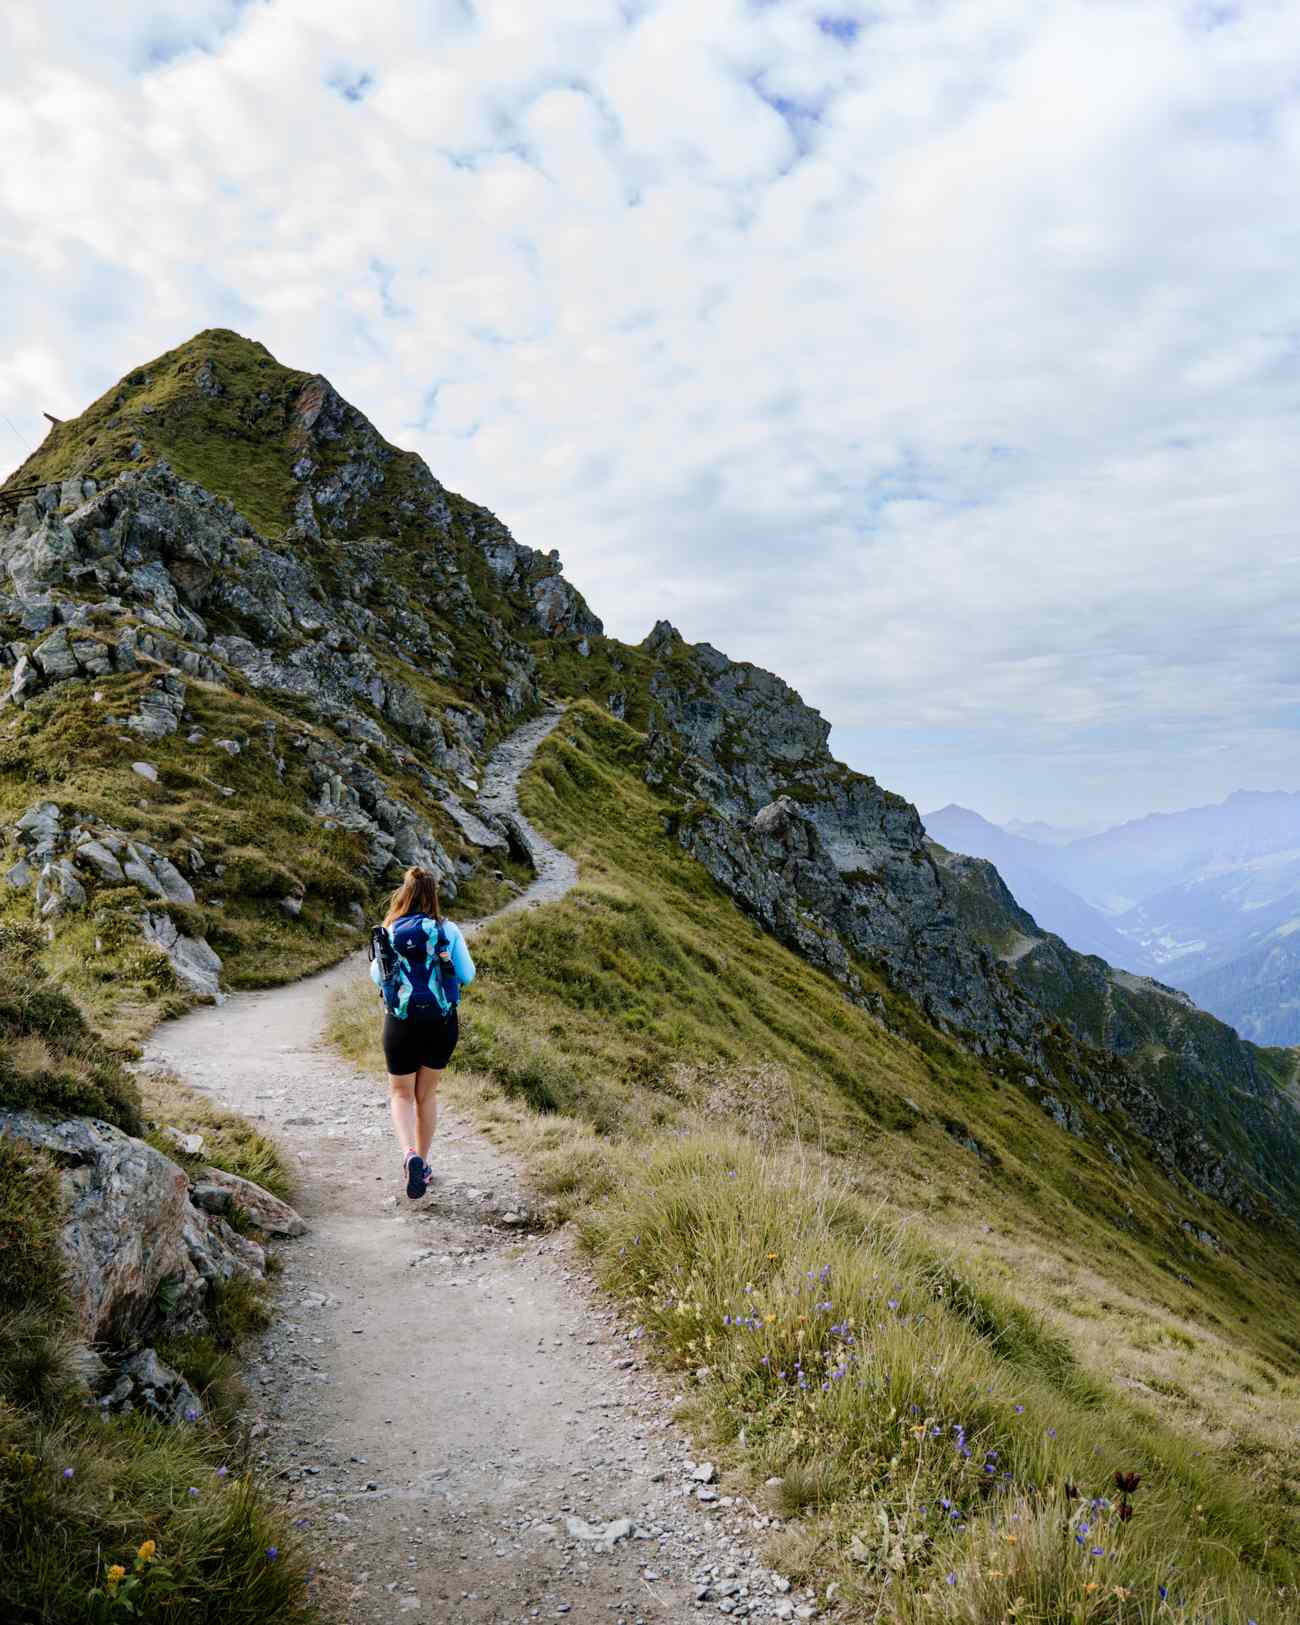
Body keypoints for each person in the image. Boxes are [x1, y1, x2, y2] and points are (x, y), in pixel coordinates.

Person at [370, 865, 476, 1199]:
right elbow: (468, 975)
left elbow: (377, 976)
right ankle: (424, 1164)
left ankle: (409, 1155)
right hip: (441, 1022)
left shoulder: (389, 930)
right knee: (425, 1095)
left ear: (405, 892)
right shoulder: (448, 929)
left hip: (400, 1023)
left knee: (401, 1094)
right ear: (434, 894)